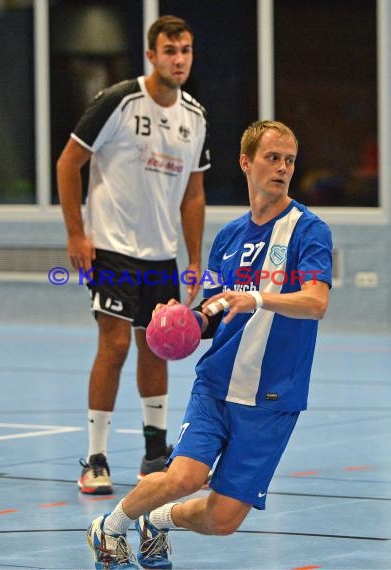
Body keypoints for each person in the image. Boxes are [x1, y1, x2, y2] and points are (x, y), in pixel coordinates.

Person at [86, 119, 333, 569]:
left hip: (274, 397)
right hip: (217, 385)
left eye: (289, 160)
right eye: (272, 158)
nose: (282, 168)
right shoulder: (229, 239)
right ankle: (110, 527)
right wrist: (179, 320)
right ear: (246, 162)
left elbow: (316, 302)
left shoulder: (309, 231)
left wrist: (257, 297)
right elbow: (213, 313)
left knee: (222, 519)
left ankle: (155, 521)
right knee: (183, 476)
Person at [56, 15, 210, 495]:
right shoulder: (119, 102)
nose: (179, 59)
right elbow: (68, 162)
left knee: (156, 345)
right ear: (152, 55)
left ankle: (154, 451)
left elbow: (193, 193)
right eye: (170, 50)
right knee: (116, 344)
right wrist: (77, 235)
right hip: (111, 248)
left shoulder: (195, 117)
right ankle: (96, 457)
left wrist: (193, 258)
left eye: (185, 50)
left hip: (160, 256)